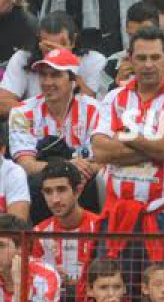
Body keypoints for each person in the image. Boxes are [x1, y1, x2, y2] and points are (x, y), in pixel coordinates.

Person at [92, 26, 164, 233]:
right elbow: (101, 151)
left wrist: (128, 137)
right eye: (141, 58)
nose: (148, 65)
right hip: (117, 214)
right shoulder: (113, 98)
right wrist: (160, 147)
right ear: (130, 58)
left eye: (155, 57)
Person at [8, 47, 103, 221]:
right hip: (42, 183)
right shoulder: (21, 112)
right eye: (43, 75)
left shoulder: (96, 109)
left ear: (73, 79)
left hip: (85, 180)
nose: (47, 82)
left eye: (56, 75)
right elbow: (26, 164)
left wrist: (84, 169)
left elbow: (103, 162)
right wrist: (67, 167)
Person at [0, 11, 106, 119]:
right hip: (34, 124)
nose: (55, 54)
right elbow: (1, 105)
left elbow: (93, 109)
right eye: (48, 48)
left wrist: (71, 66)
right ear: (39, 42)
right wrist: (43, 117)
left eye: (60, 48)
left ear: (73, 42)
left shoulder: (95, 60)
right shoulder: (23, 58)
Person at [32, 161, 102, 302]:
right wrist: (52, 277)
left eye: (61, 190)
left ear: (78, 191)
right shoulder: (38, 234)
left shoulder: (100, 228)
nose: (55, 199)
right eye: (48, 192)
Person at [70, 259, 134, 302]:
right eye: (103, 287)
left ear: (124, 288)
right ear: (90, 290)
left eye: (117, 287)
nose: (111, 293)